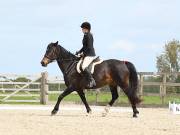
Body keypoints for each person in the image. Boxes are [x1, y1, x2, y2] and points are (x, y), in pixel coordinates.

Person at [76, 22, 96, 87]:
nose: (82, 30)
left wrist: (83, 54)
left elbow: (89, 47)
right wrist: (79, 52)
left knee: (83, 66)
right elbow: (84, 47)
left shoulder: (89, 35)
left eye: (83, 28)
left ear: (86, 29)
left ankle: (91, 80)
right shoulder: (86, 35)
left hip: (90, 54)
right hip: (87, 53)